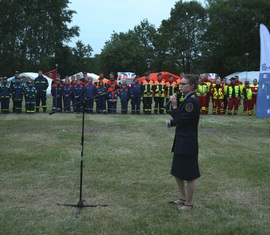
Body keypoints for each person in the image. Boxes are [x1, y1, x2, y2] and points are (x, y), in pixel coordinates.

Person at [166, 74, 200, 210]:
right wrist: (172, 122)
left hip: (187, 142)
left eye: (184, 84)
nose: (181, 86)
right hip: (181, 140)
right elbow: (182, 118)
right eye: (180, 83)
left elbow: (183, 120)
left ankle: (189, 203)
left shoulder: (192, 101)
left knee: (189, 175)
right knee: (177, 171)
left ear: (191, 86)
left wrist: (174, 106)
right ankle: (182, 198)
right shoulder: (186, 99)